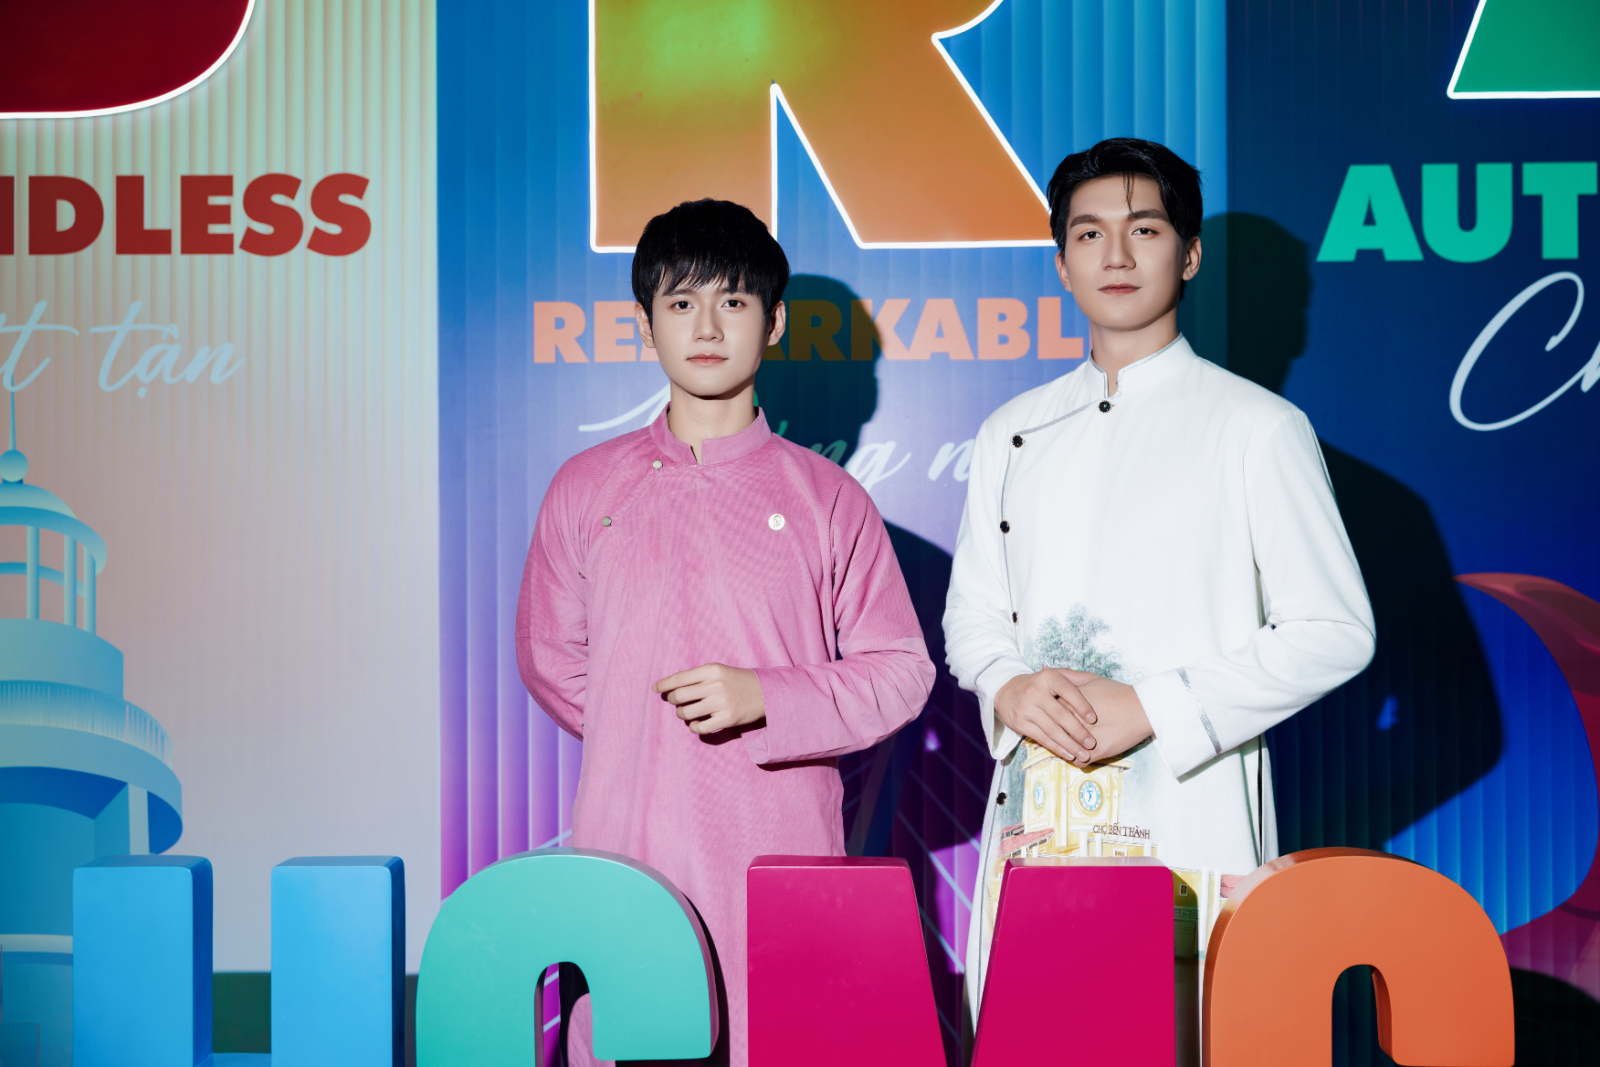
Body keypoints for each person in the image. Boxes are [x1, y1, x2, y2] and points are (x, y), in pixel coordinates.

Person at [943, 139, 1375, 1049]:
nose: (1116, 254)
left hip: (1184, 814)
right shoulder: (1009, 430)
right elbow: (973, 614)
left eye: (1144, 229)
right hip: (1036, 816)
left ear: (1190, 254)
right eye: (1089, 233)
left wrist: (1153, 707)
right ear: (1061, 262)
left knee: (1183, 1035)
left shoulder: (1258, 426)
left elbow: (1335, 628)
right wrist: (1008, 688)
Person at [517, 198, 935, 1066]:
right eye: (681, 302)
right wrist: (643, 728)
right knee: (628, 1042)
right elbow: (549, 656)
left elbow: (901, 669)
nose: (707, 327)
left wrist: (766, 698)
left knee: (781, 1042)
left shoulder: (828, 498)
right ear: (646, 323)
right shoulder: (586, 487)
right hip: (629, 851)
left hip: (778, 848)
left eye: (734, 301)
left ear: (773, 322)